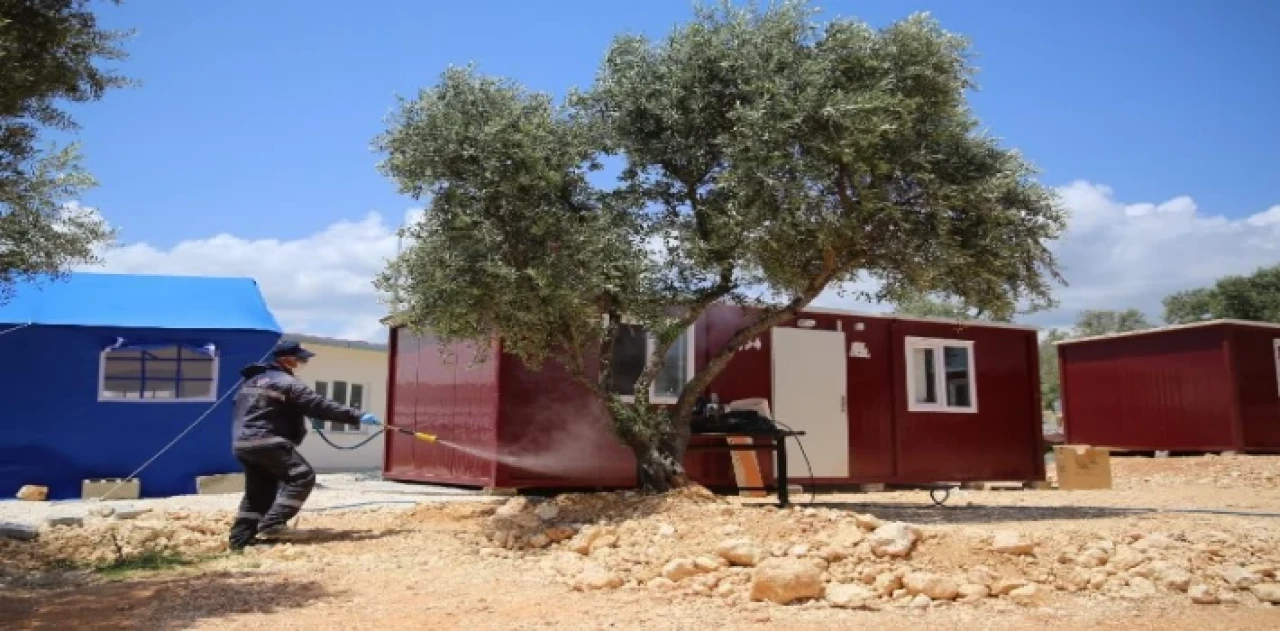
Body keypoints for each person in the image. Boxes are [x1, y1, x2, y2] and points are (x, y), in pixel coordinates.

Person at [227, 340, 380, 549]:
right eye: (301, 359)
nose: (303, 362)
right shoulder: (286, 382)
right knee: (302, 476)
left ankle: (240, 541)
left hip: (242, 443)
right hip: (268, 440)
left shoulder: (251, 381)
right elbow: (318, 405)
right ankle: (272, 524)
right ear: (288, 360)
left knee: (259, 492)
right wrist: (357, 416)